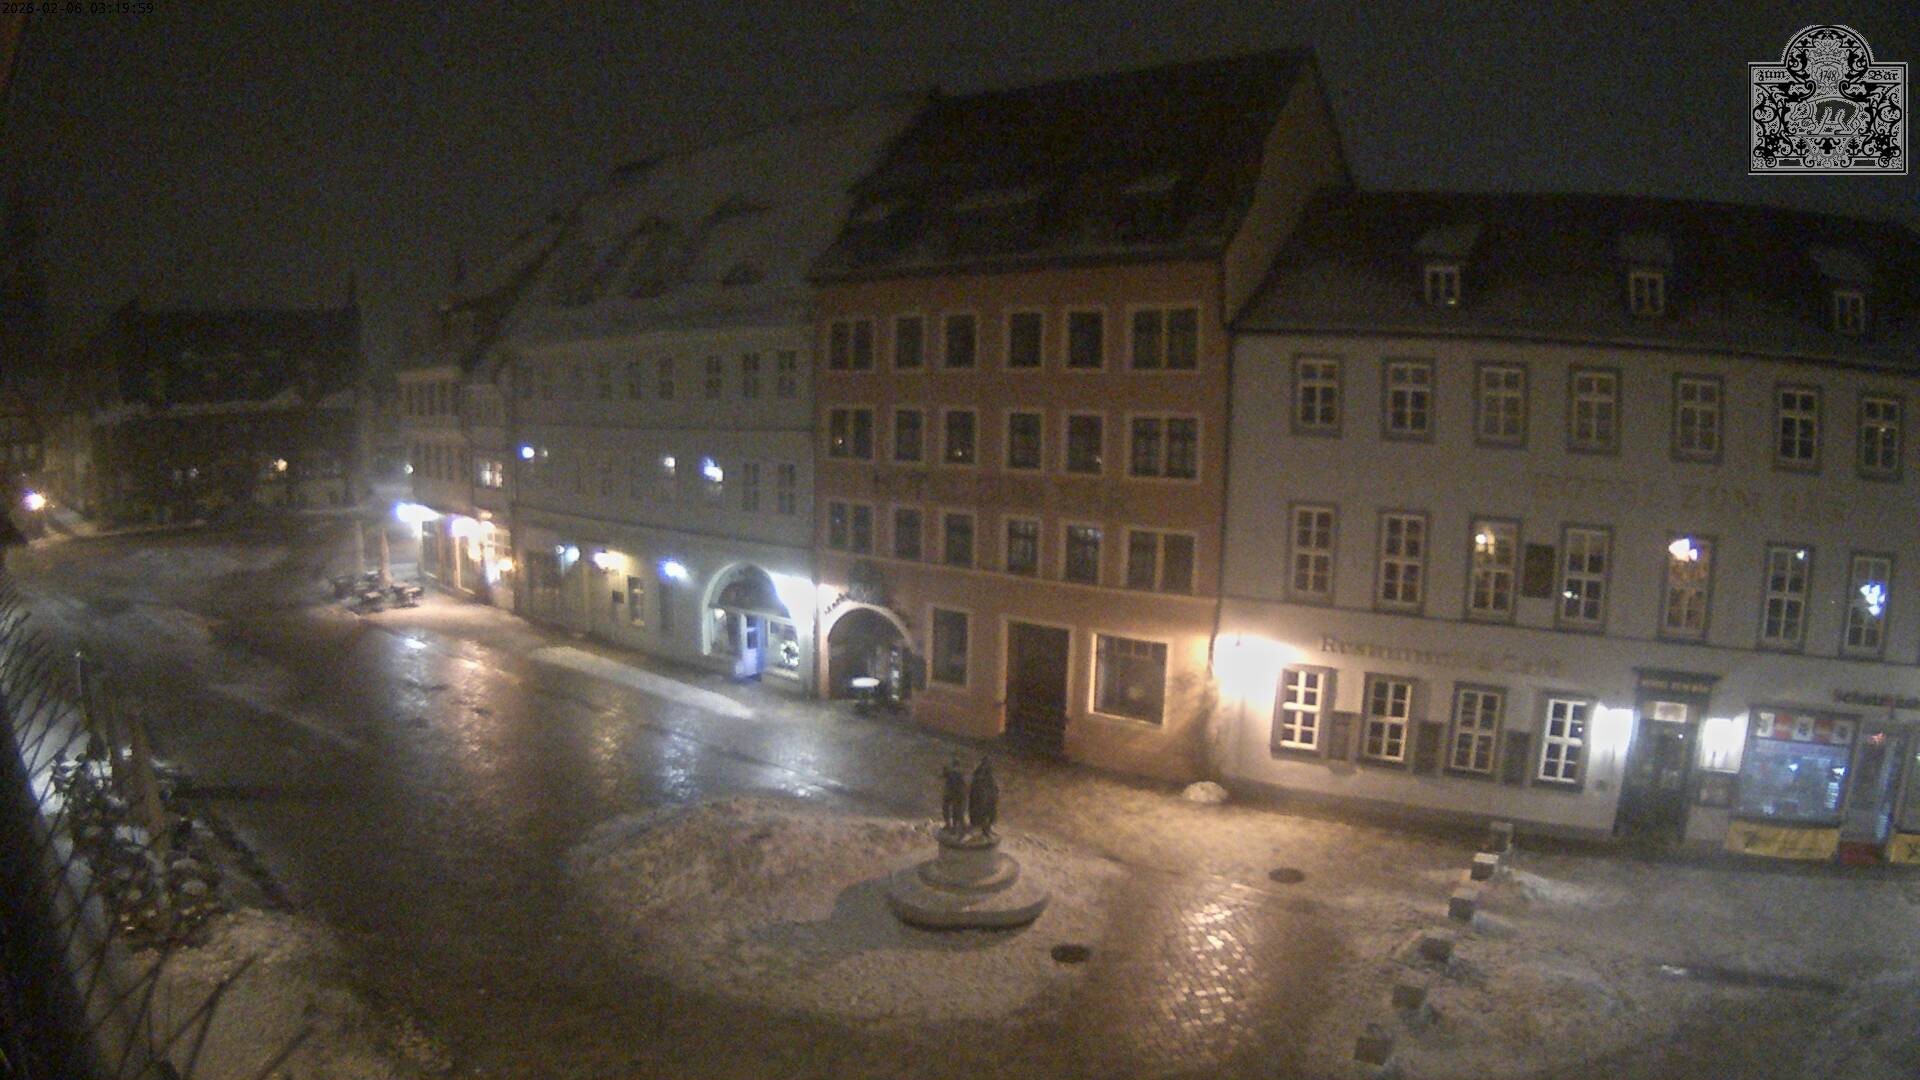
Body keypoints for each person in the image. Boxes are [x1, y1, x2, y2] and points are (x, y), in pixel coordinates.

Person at [968, 758, 998, 838]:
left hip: (988, 796)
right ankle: (984, 830)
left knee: (991, 813)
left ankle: (986, 829)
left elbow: (993, 785)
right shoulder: (978, 774)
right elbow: (975, 789)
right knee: (983, 812)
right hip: (980, 796)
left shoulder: (988, 775)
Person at [941, 758, 968, 833]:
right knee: (953, 811)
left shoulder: (956, 774)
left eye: (955, 766)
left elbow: (961, 785)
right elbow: (944, 775)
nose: (955, 768)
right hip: (955, 795)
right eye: (955, 767)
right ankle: (952, 826)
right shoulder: (954, 773)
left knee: (956, 812)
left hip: (957, 795)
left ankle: (957, 828)